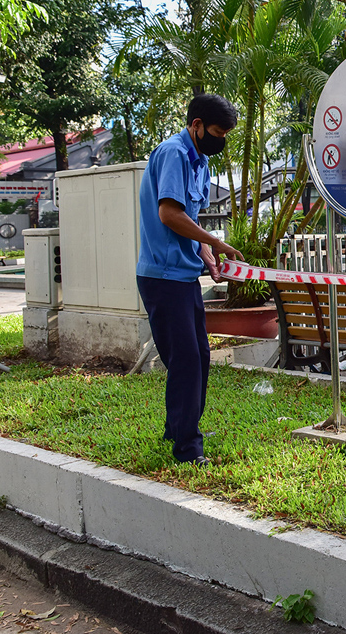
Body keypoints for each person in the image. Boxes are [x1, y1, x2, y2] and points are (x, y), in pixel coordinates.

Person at [136, 94, 243, 465]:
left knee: (199, 355)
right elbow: (168, 214)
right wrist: (215, 240)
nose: (221, 140)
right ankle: (187, 448)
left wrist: (204, 252)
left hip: (183, 276)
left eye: (226, 134)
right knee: (185, 361)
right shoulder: (175, 154)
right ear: (196, 125)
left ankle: (180, 426)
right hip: (163, 276)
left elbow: (189, 221)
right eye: (217, 131)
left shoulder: (200, 163)